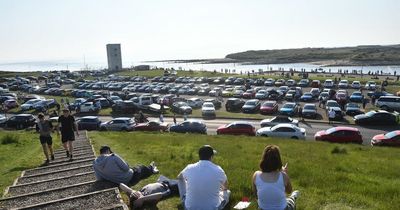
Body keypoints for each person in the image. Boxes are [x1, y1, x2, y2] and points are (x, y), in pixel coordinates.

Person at [177, 145, 230, 210]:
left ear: (199, 156)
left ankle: (185, 198)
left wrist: (187, 183)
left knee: (180, 179)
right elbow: (225, 185)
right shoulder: (219, 170)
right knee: (227, 192)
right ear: (211, 156)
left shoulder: (189, 167)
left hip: (189, 208)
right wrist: (222, 189)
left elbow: (179, 177)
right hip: (213, 208)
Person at [252, 145, 299, 210]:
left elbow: (256, 194)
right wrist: (284, 173)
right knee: (291, 201)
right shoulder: (283, 176)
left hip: (262, 208)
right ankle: (293, 197)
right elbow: (289, 191)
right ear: (278, 160)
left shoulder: (256, 175)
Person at [93, 145, 159, 186]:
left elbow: (99, 178)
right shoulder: (113, 157)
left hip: (116, 182)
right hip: (129, 178)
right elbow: (126, 168)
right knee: (141, 167)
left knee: (138, 169)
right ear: (108, 151)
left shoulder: (95, 162)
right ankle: (152, 168)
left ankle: (151, 167)